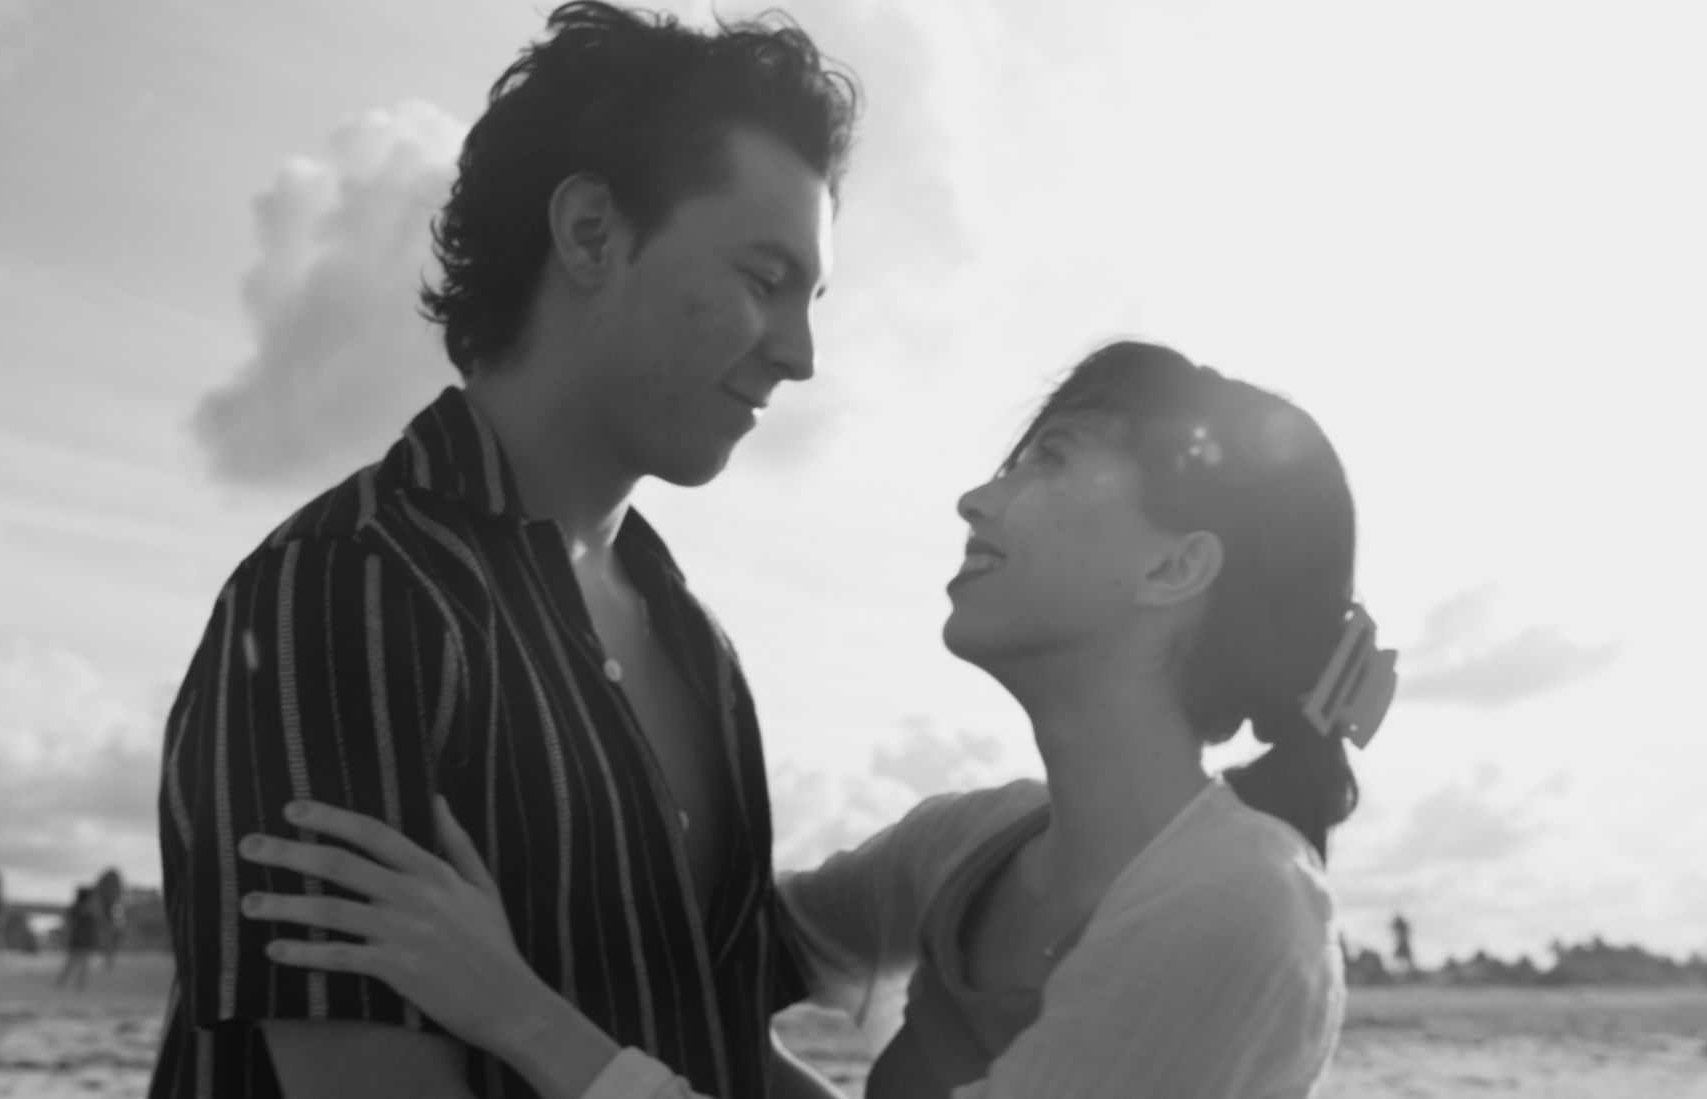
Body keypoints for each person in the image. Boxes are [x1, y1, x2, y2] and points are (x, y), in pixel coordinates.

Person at [236, 342, 1398, 1098]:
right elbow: (695, 969)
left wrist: (517, 1011)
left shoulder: (1240, 908)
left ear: (1174, 565)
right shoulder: (970, 846)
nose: (976, 495)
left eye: (1050, 458)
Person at [146, 3, 858, 1097]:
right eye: (764, 279)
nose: (801, 354)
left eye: (812, 298)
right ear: (588, 235)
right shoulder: (346, 590)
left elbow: (726, 1055)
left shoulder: (697, 647)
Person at [58, 885, 100, 990]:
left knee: (76, 963)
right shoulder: (86, 911)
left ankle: (71, 984)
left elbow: (69, 925)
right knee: (79, 964)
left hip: (79, 940)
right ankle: (76, 984)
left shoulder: (78, 909)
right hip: (81, 940)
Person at [94, 867, 127, 970]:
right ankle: (109, 961)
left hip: (109, 917)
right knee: (107, 940)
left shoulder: (106, 888)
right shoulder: (113, 889)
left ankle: (109, 961)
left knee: (107, 940)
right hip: (110, 917)